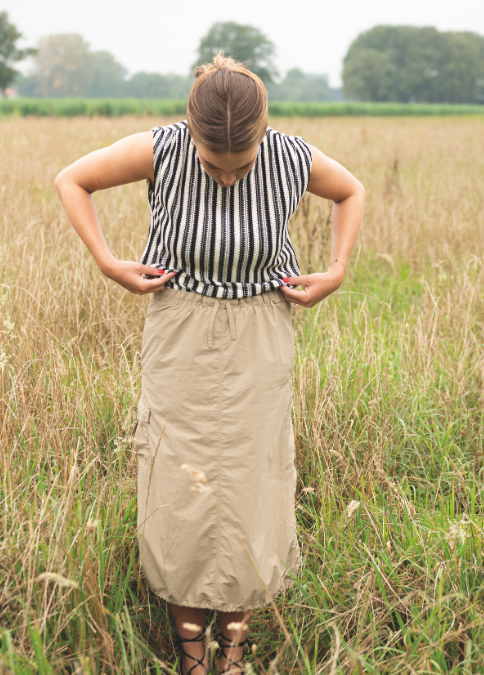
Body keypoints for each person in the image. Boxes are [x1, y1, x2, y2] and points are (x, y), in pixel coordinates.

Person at [55, 52, 365, 675]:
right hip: (179, 333)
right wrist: (108, 261)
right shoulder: (162, 148)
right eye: (211, 164)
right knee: (179, 475)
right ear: (191, 134)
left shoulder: (292, 156)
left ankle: (236, 644)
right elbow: (72, 179)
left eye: (241, 166)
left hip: (261, 335)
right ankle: (192, 647)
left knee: (252, 476)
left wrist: (336, 270)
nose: (226, 178)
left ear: (262, 139)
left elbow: (351, 191)